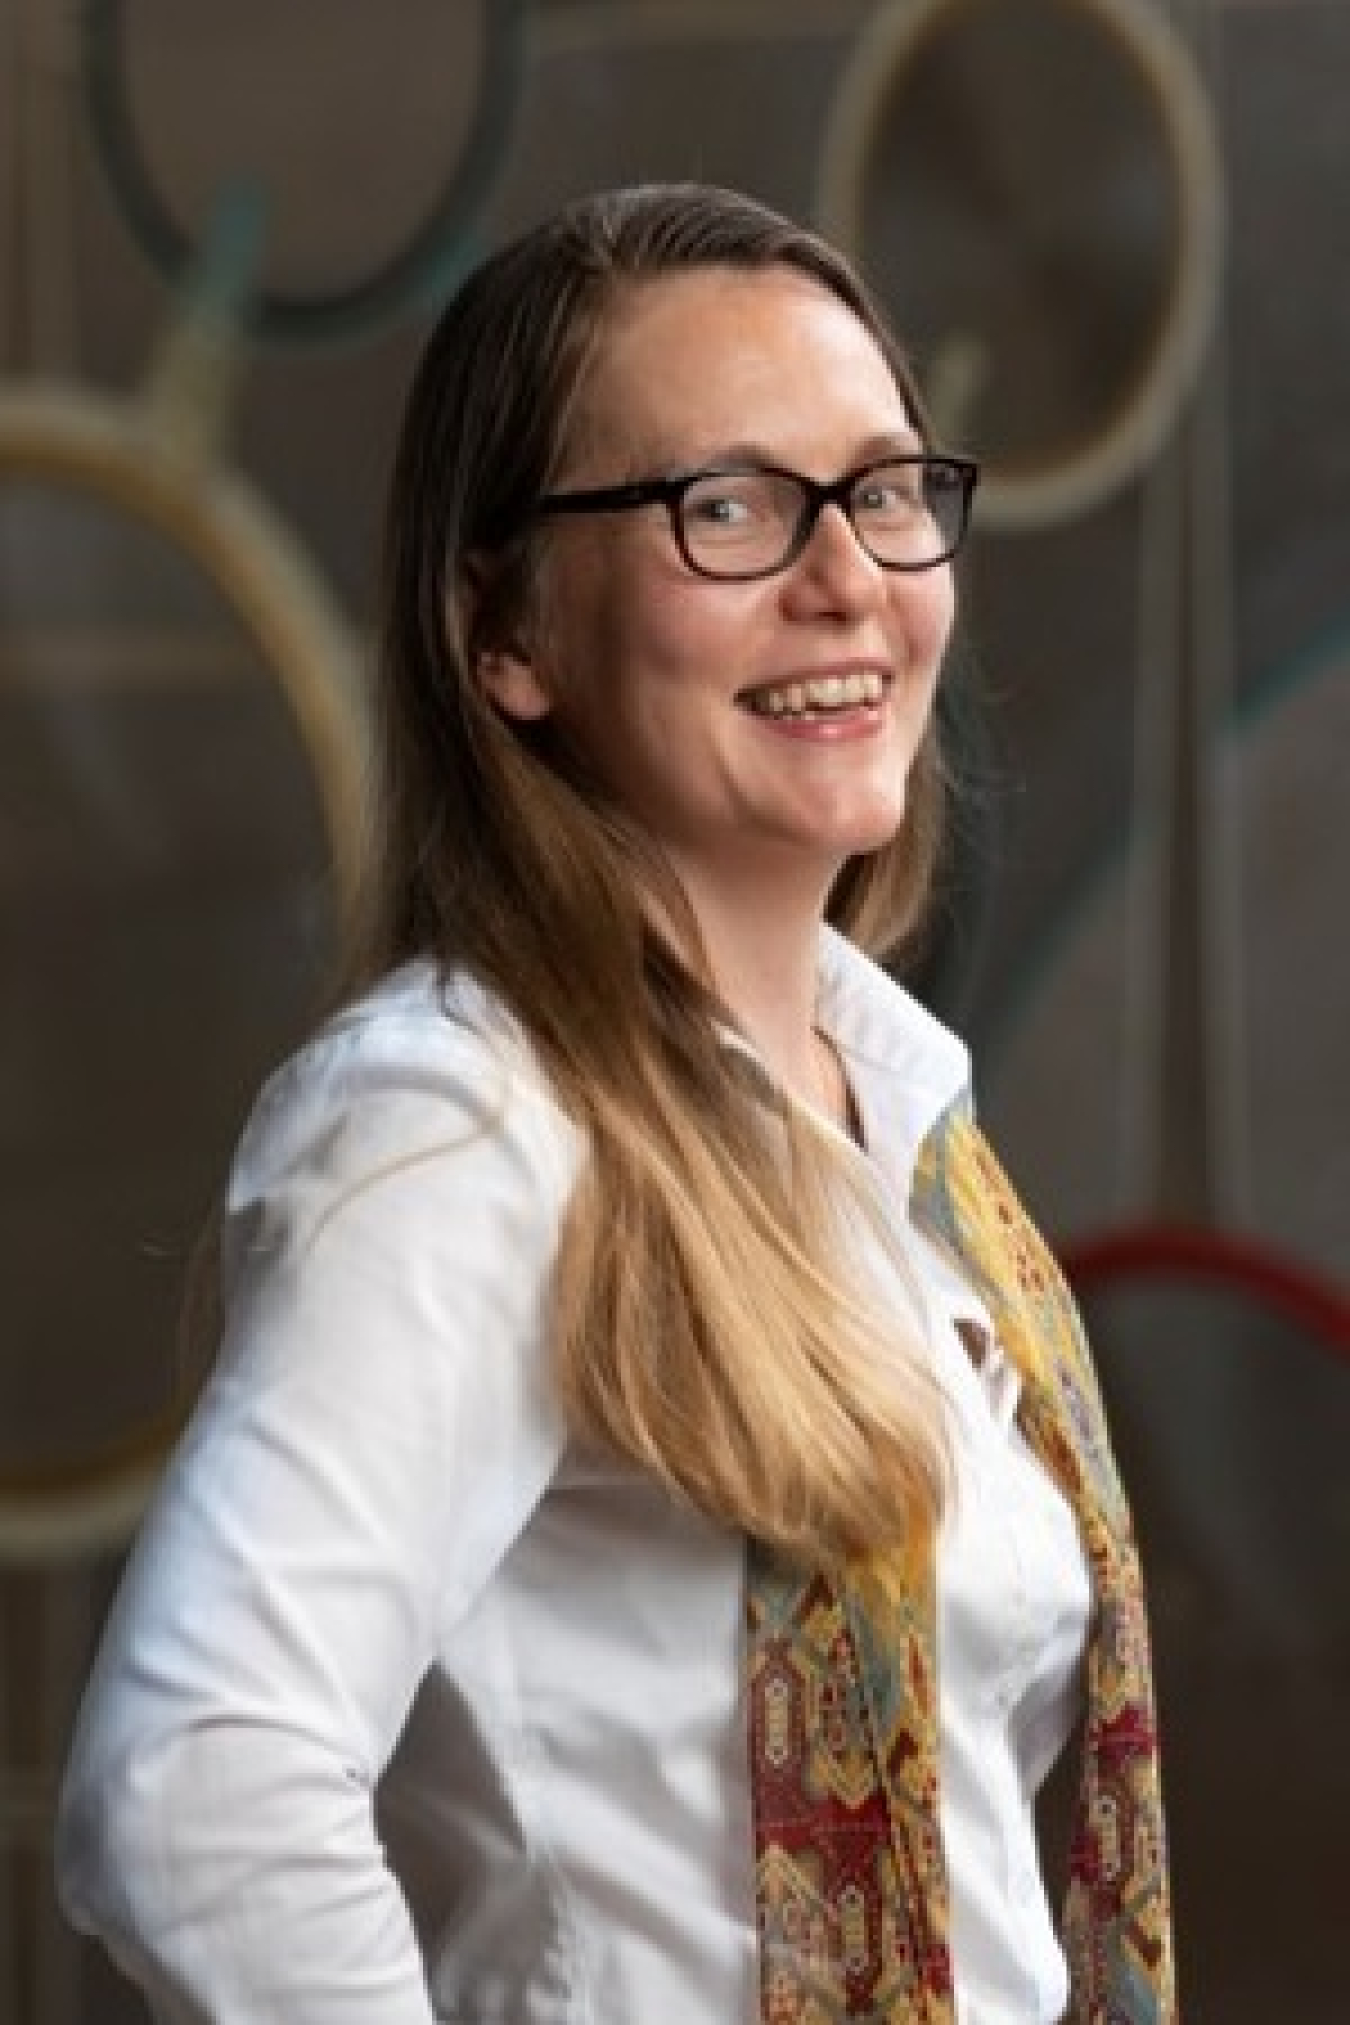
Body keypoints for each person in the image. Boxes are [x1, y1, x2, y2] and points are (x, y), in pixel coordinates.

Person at [56, 182, 1176, 2025]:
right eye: (723, 507)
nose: (846, 577)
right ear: (504, 631)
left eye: (883, 487)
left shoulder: (897, 1129)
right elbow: (194, 1791)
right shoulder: (459, 1122)